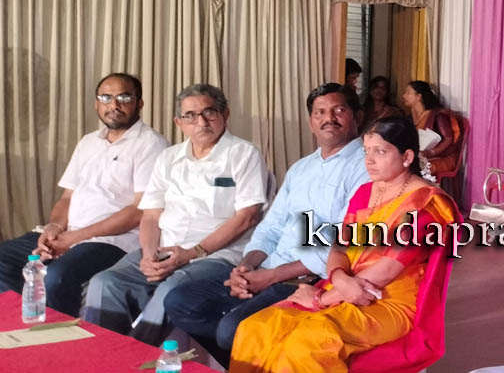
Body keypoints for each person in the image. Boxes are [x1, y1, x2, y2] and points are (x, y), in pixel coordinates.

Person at [229, 116, 460, 373]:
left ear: (406, 157)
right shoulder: (365, 192)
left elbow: (385, 272)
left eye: (380, 152)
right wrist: (339, 278)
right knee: (256, 327)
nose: (369, 160)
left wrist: (320, 299)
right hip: (344, 286)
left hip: (387, 300)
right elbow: (339, 247)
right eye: (366, 151)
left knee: (308, 340)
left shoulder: (424, 205)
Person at [163, 83, 370, 363]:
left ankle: (251, 352)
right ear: (311, 122)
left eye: (339, 110)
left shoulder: (366, 166)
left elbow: (340, 243)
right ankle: (254, 356)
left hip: (308, 279)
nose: (328, 118)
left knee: (230, 329)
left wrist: (271, 277)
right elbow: (271, 226)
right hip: (268, 269)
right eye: (319, 112)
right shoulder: (301, 168)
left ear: (357, 116)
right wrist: (246, 267)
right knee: (180, 301)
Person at [83, 83, 270, 346]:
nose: (201, 122)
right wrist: (149, 255)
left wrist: (193, 252)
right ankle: (99, 353)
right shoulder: (168, 158)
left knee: (171, 290)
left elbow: (247, 217)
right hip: (165, 251)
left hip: (216, 255)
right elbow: (151, 215)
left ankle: (136, 358)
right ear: (178, 122)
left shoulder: (244, 154)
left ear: (225, 114)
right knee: (105, 282)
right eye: (190, 116)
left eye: (209, 112)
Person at [0, 73, 167, 315]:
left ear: (139, 103)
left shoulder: (151, 143)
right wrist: (54, 228)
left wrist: (74, 237)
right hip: (70, 233)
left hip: (110, 241)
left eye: (123, 97)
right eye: (106, 98)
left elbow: (139, 211)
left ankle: (60, 337)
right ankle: (18, 329)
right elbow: (67, 197)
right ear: (96, 103)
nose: (114, 105)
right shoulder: (89, 142)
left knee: (55, 277)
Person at [402, 80, 462, 174]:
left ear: (419, 97)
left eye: (408, 93)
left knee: (408, 167)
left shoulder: (438, 115)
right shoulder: (410, 117)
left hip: (441, 158)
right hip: (421, 156)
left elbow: (449, 139)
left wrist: (430, 152)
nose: (404, 96)